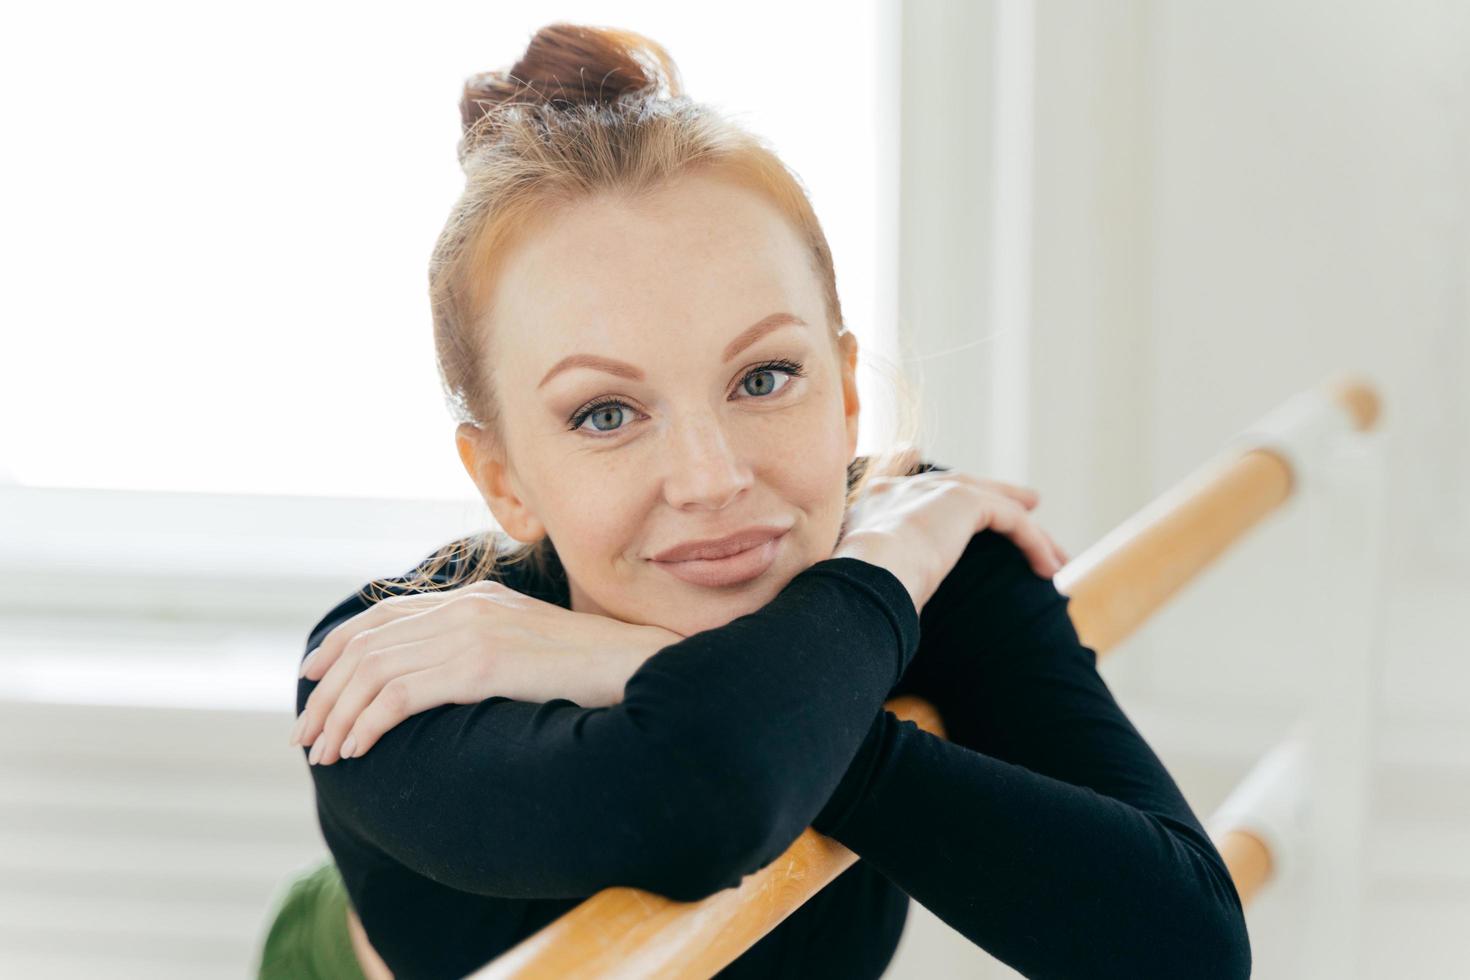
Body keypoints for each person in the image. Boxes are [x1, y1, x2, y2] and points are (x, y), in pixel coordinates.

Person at [255, 22, 1250, 980]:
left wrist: (679, 653)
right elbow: (709, 795)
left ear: (850, 392)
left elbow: (1186, 946)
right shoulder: (397, 671)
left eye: (765, 378)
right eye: (606, 412)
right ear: (504, 479)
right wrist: (870, 605)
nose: (713, 478)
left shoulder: (912, 543)